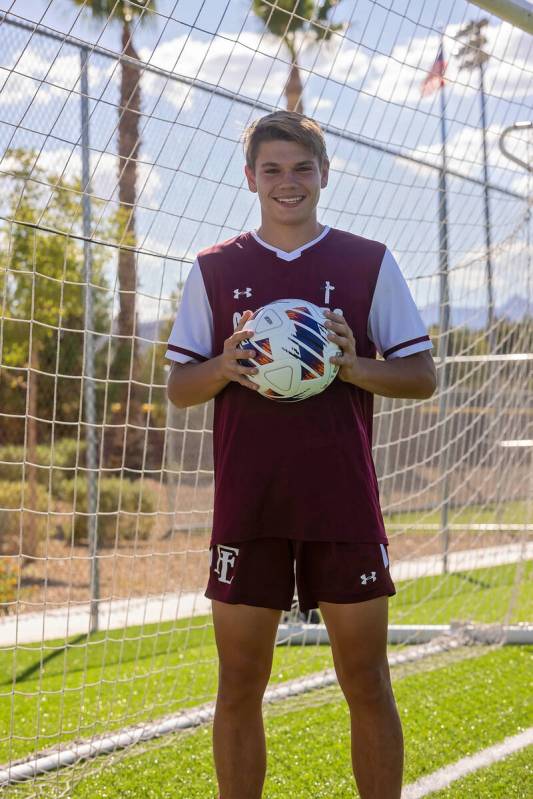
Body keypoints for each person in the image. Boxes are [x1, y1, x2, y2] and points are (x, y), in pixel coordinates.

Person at [165, 111, 436, 799]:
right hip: (248, 502)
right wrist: (226, 363)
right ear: (250, 177)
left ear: (323, 172)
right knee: (238, 683)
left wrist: (349, 365)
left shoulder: (367, 261)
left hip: (340, 499)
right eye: (272, 169)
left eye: (301, 168)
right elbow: (179, 387)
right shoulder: (215, 267)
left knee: (366, 679)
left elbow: (420, 374)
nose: (288, 183)